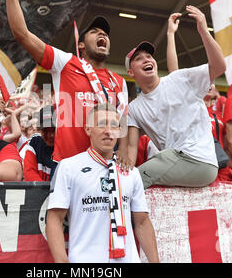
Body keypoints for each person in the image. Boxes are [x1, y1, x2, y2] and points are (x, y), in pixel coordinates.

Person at [0, 0, 129, 169]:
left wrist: (123, 151)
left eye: (105, 33)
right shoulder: (65, 63)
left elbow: (122, 124)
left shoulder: (119, 82)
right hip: (68, 167)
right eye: (95, 32)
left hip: (105, 167)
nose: (103, 34)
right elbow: (22, 34)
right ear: (81, 45)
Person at [126, 5, 226, 189]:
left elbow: (219, 67)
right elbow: (131, 147)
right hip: (177, 161)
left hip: (198, 159)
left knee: (135, 181)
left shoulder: (179, 79)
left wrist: (203, 30)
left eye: (149, 56)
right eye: (139, 58)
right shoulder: (134, 108)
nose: (147, 59)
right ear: (131, 72)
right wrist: (124, 173)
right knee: (131, 180)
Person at [46, 103, 159, 263]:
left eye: (114, 125)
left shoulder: (131, 171)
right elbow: (54, 219)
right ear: (88, 129)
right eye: (101, 124)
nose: (108, 131)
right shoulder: (69, 167)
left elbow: (142, 222)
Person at [23, 105, 57, 181]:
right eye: (46, 130)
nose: (50, 135)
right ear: (40, 130)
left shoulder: (68, 147)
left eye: (53, 130)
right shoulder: (34, 143)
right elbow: (29, 172)